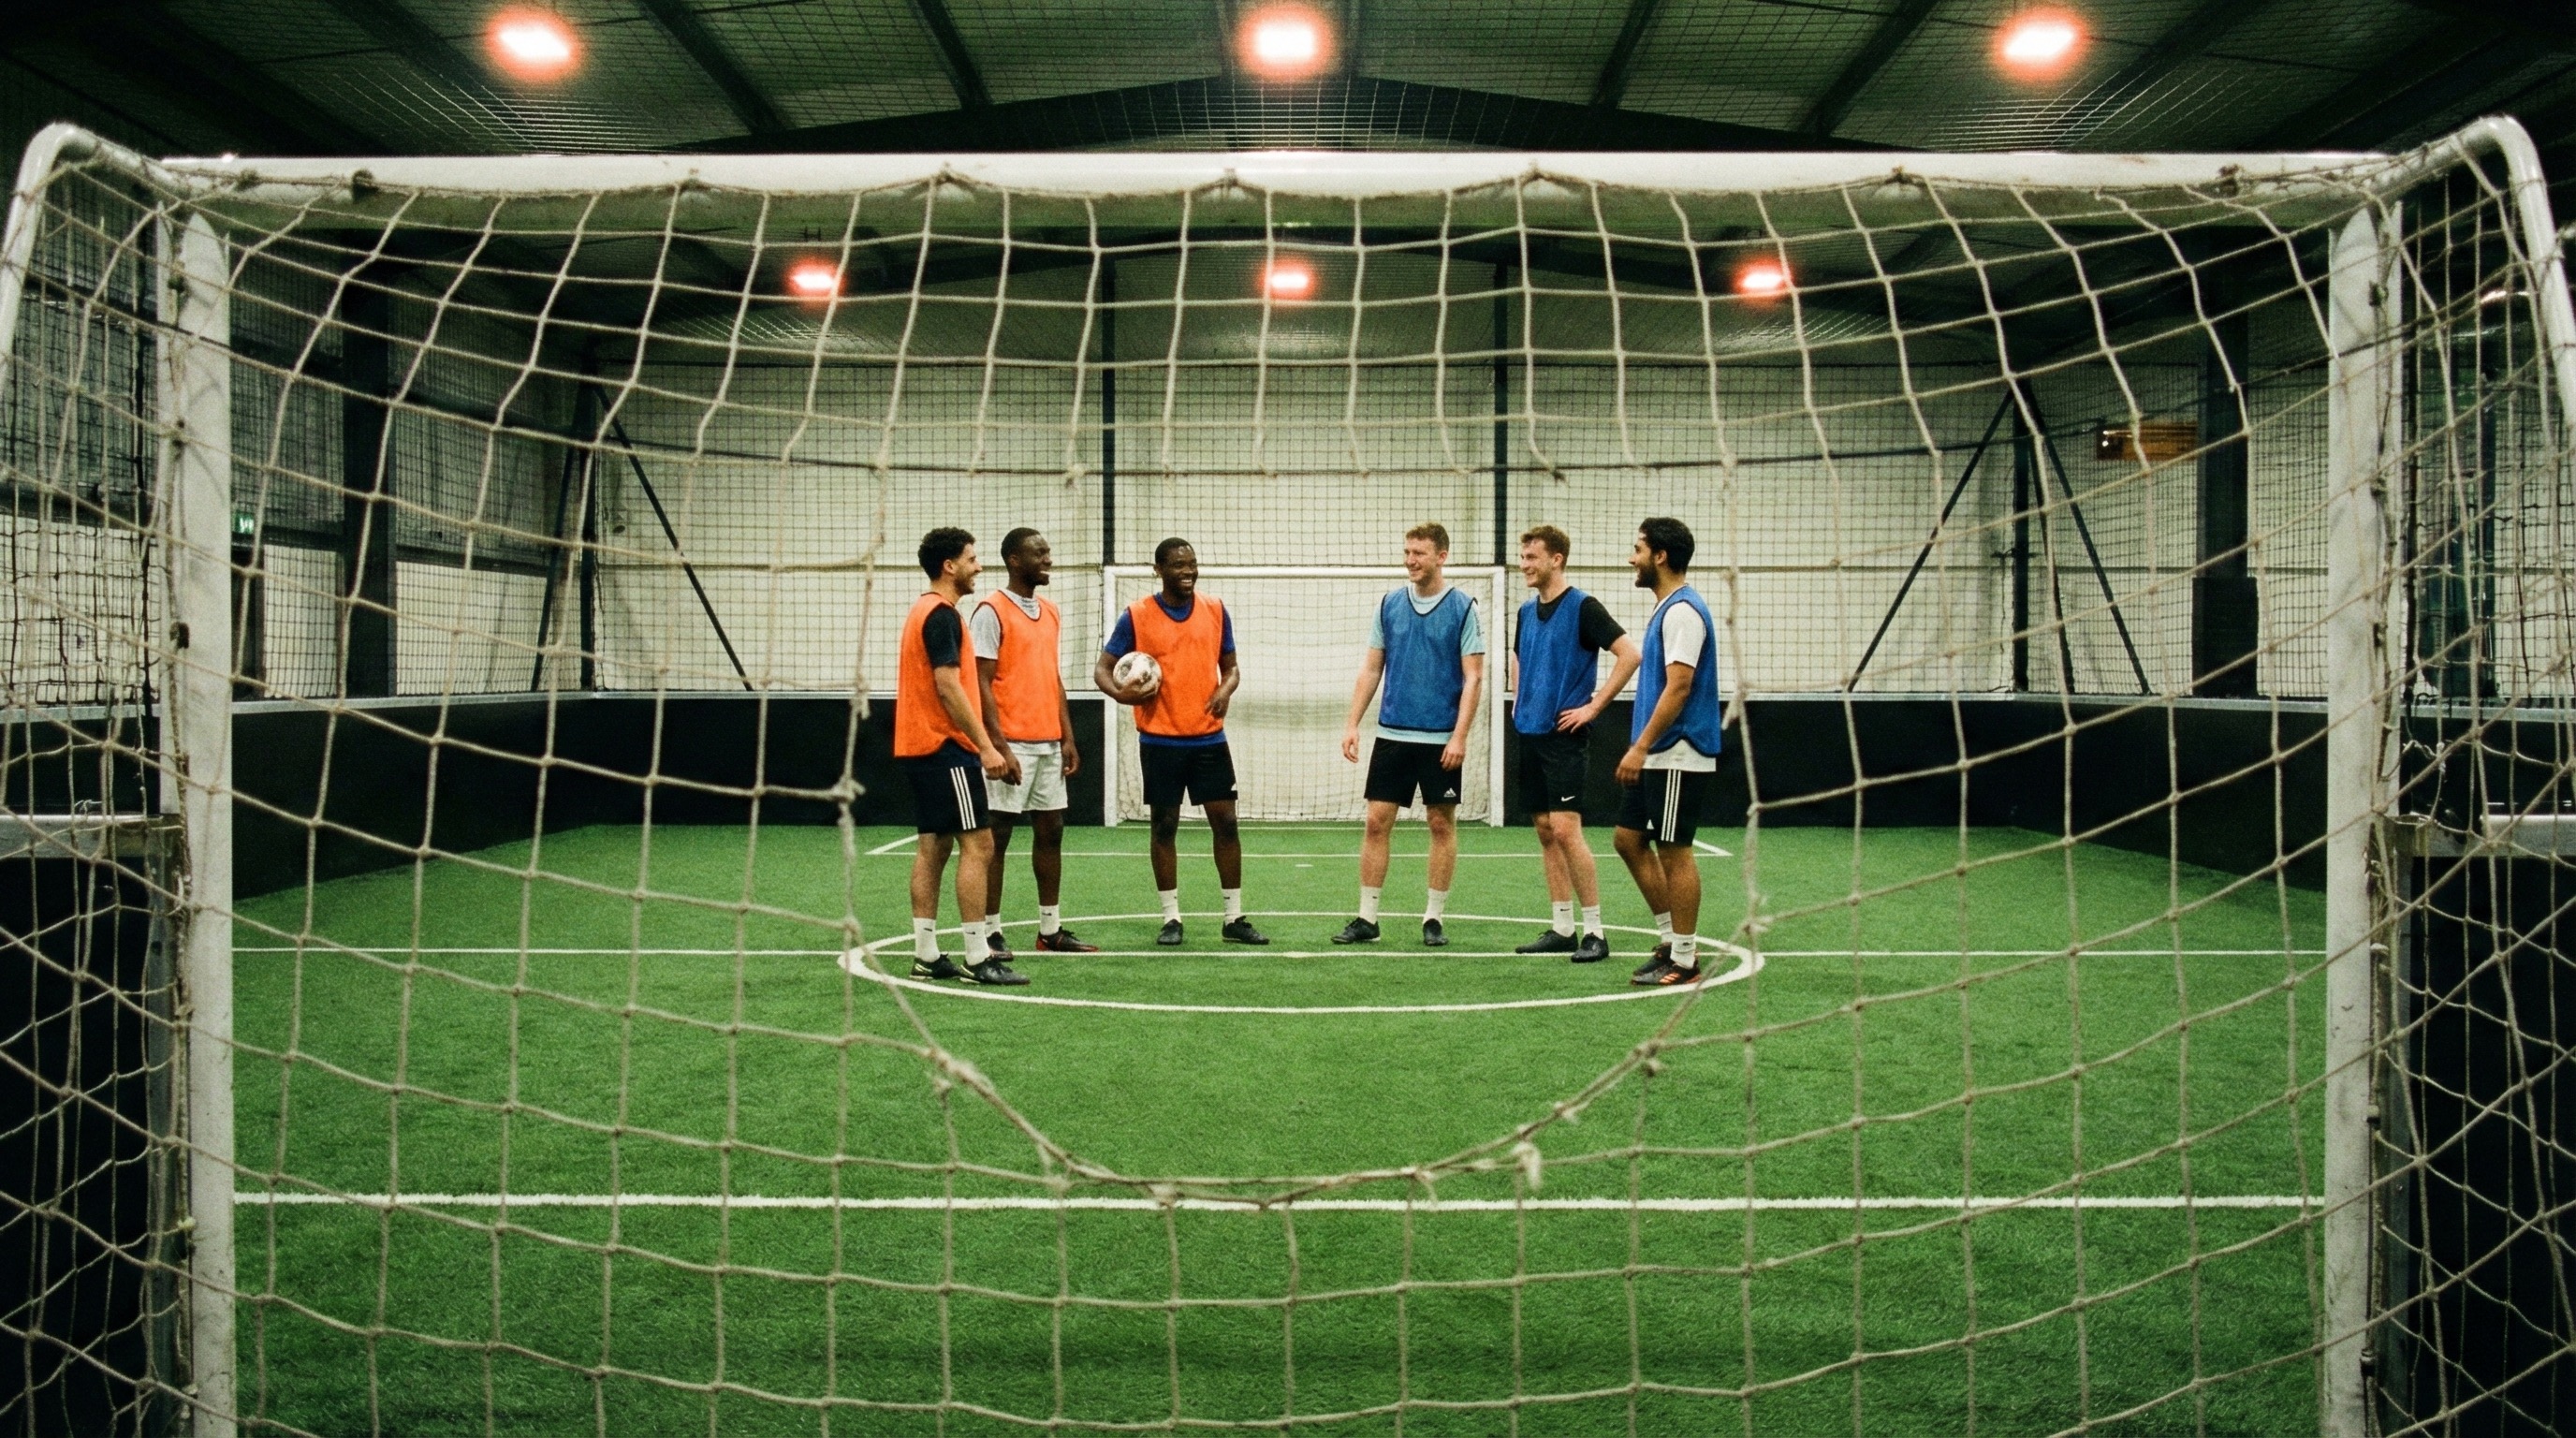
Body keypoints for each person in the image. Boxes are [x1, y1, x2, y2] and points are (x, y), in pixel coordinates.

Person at [1092, 537, 1269, 947]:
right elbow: (1103, 669)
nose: (1188, 572)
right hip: (1160, 740)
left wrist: (1225, 690)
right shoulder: (1136, 615)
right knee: (1164, 827)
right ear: (1158, 569)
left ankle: (1234, 917)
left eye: (1192, 564)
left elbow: (1231, 668)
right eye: (1178, 565)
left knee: (1226, 824)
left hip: (1209, 739)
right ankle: (1171, 918)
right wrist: (1121, 695)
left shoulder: (1214, 609)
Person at [1333, 522, 1486, 947]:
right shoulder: (1389, 605)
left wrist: (1459, 737)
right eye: (1407, 552)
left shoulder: (1463, 608)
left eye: (1419, 553)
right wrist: (1352, 724)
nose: (1410, 560)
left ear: (1441, 556)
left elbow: (1474, 678)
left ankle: (1433, 918)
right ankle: (1367, 918)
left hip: (1440, 739)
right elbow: (1371, 669)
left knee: (1440, 823)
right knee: (1377, 822)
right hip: (1392, 736)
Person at [894, 527, 1027, 985]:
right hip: (944, 747)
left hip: (919, 747)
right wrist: (987, 747)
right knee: (980, 845)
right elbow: (948, 686)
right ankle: (976, 955)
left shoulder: (923, 610)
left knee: (934, 846)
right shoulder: (943, 615)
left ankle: (926, 955)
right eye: (972, 559)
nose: (979, 566)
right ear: (949, 566)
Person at [1508, 524, 1642, 963]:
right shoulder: (1526, 612)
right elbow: (1520, 657)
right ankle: (1563, 926)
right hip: (1529, 732)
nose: (1524, 565)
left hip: (1565, 737)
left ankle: (1596, 932)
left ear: (1556, 560)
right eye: (1522, 557)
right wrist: (1517, 698)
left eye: (1531, 558)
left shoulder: (1584, 607)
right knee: (1546, 831)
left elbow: (1630, 654)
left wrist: (1594, 707)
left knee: (1566, 830)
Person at [971, 527, 1098, 959]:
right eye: (1039, 553)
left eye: (1048, 552)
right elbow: (980, 682)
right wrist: (998, 744)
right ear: (1013, 560)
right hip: (1012, 742)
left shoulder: (1051, 611)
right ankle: (989, 931)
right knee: (997, 837)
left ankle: (1050, 930)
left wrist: (1067, 736)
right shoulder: (990, 610)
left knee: (1052, 831)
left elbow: (1053, 678)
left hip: (1047, 741)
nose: (1048, 559)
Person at [1616, 517, 1723, 987]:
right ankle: (1669, 940)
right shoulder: (1666, 609)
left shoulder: (1683, 611)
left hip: (1678, 751)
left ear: (1660, 556)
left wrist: (1640, 746)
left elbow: (1679, 688)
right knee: (1628, 839)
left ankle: (1685, 958)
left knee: (1674, 850)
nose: (1631, 558)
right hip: (1657, 751)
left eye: (1637, 549)